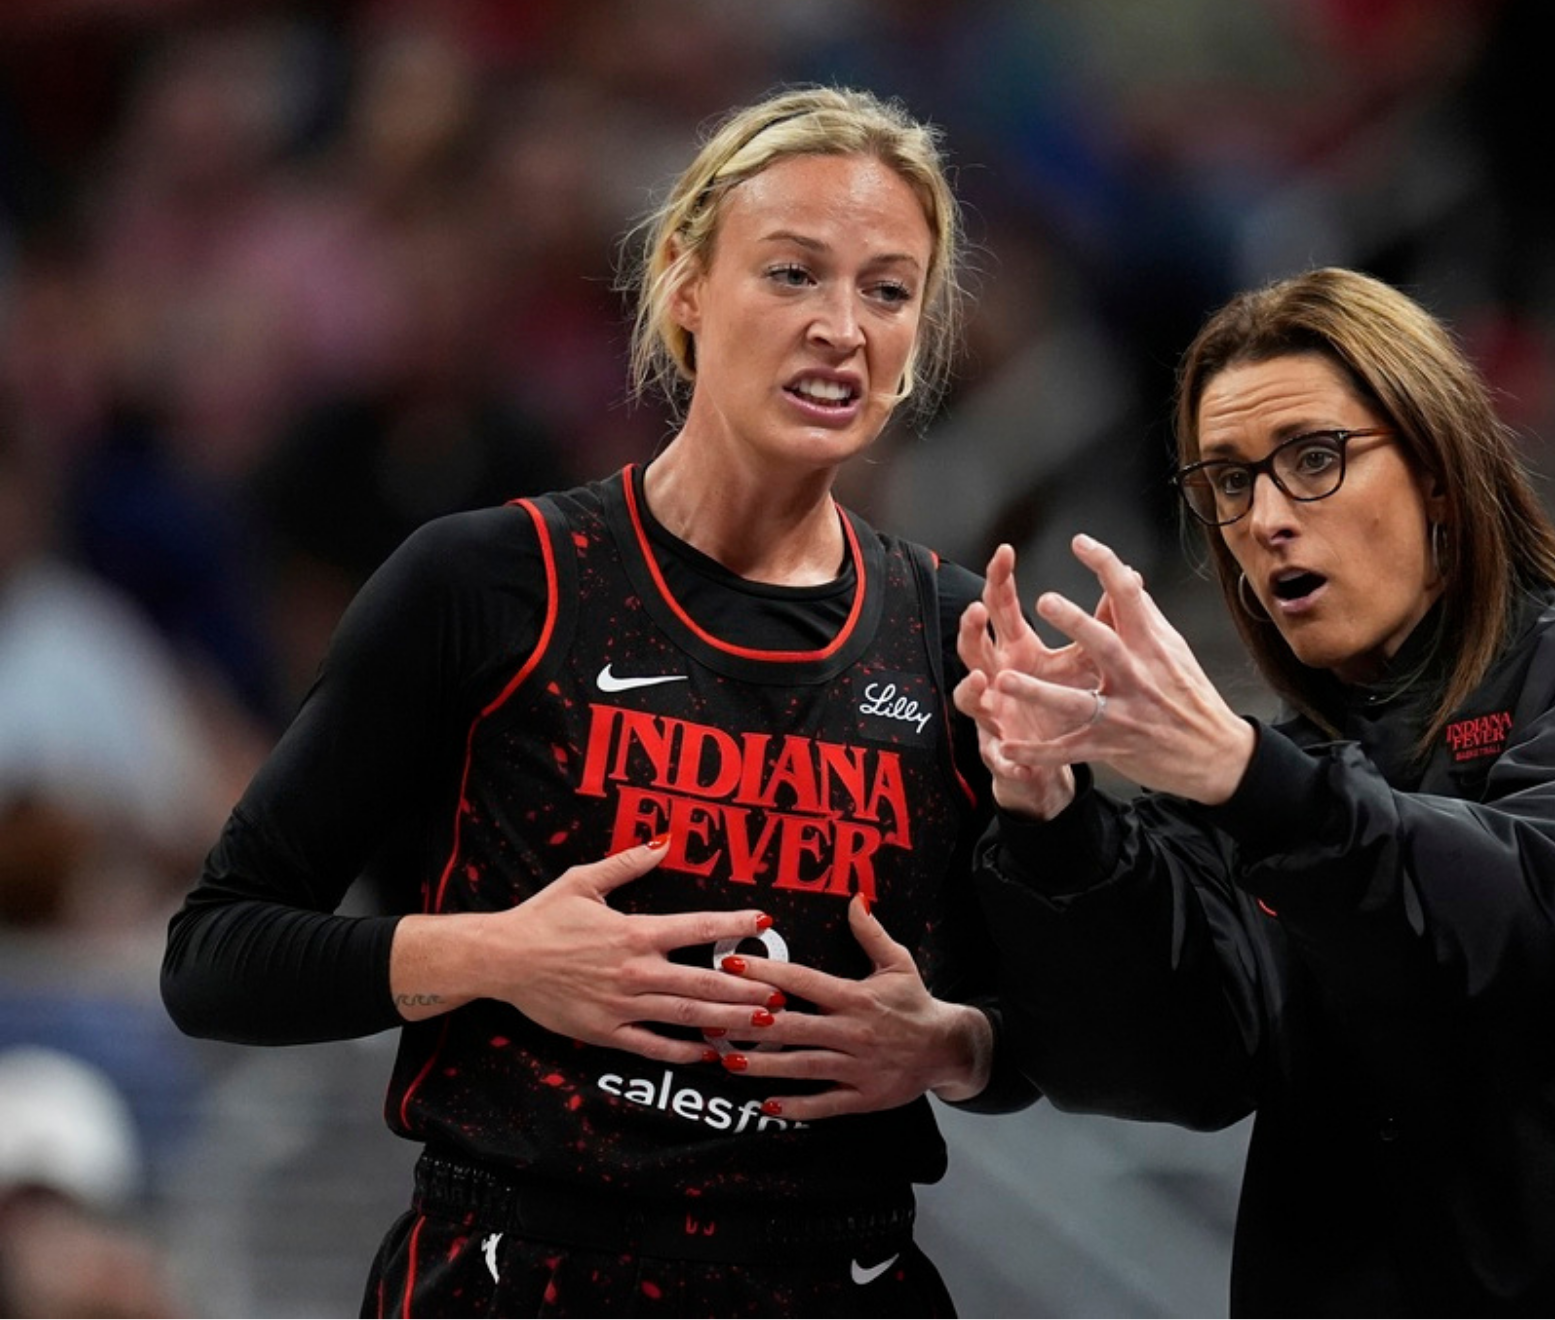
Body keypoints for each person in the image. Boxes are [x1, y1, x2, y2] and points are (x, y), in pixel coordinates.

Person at [161, 85, 1033, 1319]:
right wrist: (496, 956)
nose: (841, 327)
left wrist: (955, 1046)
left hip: (839, 1275)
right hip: (515, 1269)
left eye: (888, 291)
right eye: (792, 273)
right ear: (685, 285)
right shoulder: (490, 582)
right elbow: (215, 955)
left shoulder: (957, 636)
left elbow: (1084, 1030)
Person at [954, 267, 1555, 1315]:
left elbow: (1552, 912)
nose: (1266, 518)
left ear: (1439, 473)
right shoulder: (1256, 787)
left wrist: (1252, 778)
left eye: (1314, 459)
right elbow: (1179, 1066)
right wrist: (1054, 824)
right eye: (1230, 481)